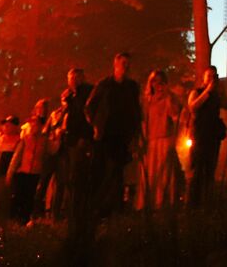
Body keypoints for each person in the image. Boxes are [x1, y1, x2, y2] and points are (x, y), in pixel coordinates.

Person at [86, 52, 143, 215]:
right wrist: (95, 126)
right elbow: (89, 107)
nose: (126, 66)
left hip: (122, 136)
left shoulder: (132, 87)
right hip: (105, 135)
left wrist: (136, 133)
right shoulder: (104, 85)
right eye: (123, 63)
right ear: (115, 64)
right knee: (104, 171)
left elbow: (135, 110)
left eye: (128, 63)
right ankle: (99, 207)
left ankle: (114, 208)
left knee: (117, 171)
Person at [186, 65, 227, 207]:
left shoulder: (217, 95)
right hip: (199, 136)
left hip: (213, 137)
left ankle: (207, 202)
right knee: (197, 170)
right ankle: (193, 203)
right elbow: (192, 106)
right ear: (204, 78)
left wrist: (221, 92)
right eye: (209, 76)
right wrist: (207, 91)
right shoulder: (197, 92)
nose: (211, 79)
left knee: (210, 170)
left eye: (214, 76)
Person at [139, 70, 182, 211]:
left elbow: (175, 115)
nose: (157, 84)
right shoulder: (147, 100)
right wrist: (142, 139)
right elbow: (144, 121)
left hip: (164, 139)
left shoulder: (170, 98)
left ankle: (163, 203)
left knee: (165, 174)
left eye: (160, 81)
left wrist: (168, 96)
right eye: (154, 81)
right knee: (151, 175)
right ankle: (148, 204)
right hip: (150, 141)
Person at [56, 68, 93, 220]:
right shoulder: (69, 95)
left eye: (77, 78)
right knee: (67, 176)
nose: (74, 81)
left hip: (81, 137)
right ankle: (68, 210)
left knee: (78, 174)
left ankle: (79, 210)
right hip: (68, 139)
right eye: (71, 78)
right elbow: (65, 114)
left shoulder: (87, 92)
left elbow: (83, 112)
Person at [8, 101, 50, 222]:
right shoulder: (25, 139)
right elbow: (17, 156)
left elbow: (51, 151)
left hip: (35, 173)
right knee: (18, 196)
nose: (35, 127)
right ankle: (15, 220)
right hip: (23, 171)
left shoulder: (43, 140)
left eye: (37, 125)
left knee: (29, 196)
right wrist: (11, 172)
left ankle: (25, 219)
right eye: (33, 125)